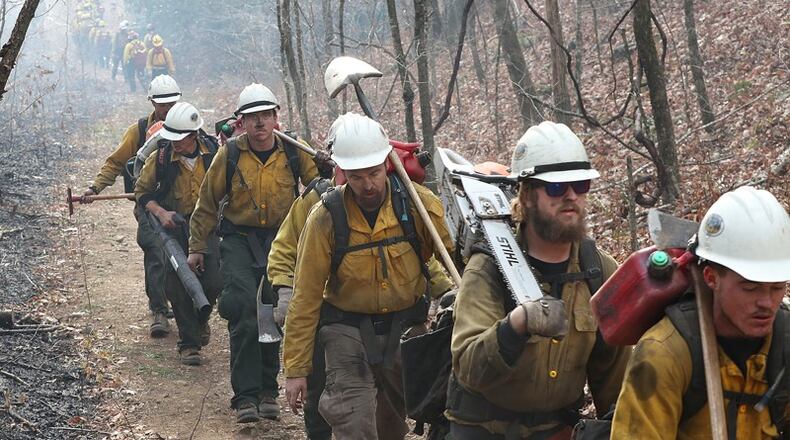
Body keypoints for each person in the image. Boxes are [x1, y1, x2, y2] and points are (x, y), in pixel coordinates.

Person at [446, 121, 629, 439]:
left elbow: (615, 373)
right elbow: (468, 366)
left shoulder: (598, 270)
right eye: (556, 188)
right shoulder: (488, 269)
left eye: (580, 184)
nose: (571, 196)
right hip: (485, 429)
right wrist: (515, 326)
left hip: (557, 429)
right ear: (528, 195)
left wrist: (619, 427)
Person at [283, 113, 454, 440]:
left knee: (391, 425)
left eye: (374, 174)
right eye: (356, 177)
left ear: (386, 164)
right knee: (354, 425)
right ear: (342, 172)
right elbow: (304, 298)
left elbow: (456, 259)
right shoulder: (324, 219)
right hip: (346, 332)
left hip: (407, 331)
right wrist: (296, 370)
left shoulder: (419, 206)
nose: (368, 185)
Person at [611, 186, 790, 439]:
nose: (767, 303)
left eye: (777, 287)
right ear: (711, 278)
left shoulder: (785, 342)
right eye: (750, 288)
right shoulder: (664, 353)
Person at [187, 83, 319, 423]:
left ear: (276, 118)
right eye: (252, 117)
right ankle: (245, 397)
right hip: (238, 240)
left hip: (283, 241)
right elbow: (206, 203)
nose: (259, 123)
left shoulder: (293, 151)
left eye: (265, 115)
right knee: (244, 310)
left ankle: (266, 390)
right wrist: (197, 247)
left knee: (272, 312)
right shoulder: (229, 155)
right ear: (241, 122)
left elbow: (322, 189)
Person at [82, 75, 182, 338]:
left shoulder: (188, 126)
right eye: (162, 104)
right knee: (155, 252)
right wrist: (95, 188)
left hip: (183, 204)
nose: (167, 109)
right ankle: (159, 310)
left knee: (183, 256)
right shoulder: (138, 132)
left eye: (172, 103)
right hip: (147, 204)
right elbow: (116, 163)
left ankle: (187, 310)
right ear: (152, 103)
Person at [135, 102, 221, 366]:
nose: (175, 144)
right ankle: (189, 343)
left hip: (208, 228)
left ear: (194, 135)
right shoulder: (160, 158)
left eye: (180, 139)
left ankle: (200, 320)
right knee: (177, 284)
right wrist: (161, 214)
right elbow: (143, 193)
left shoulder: (216, 155)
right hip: (174, 228)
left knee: (214, 280)